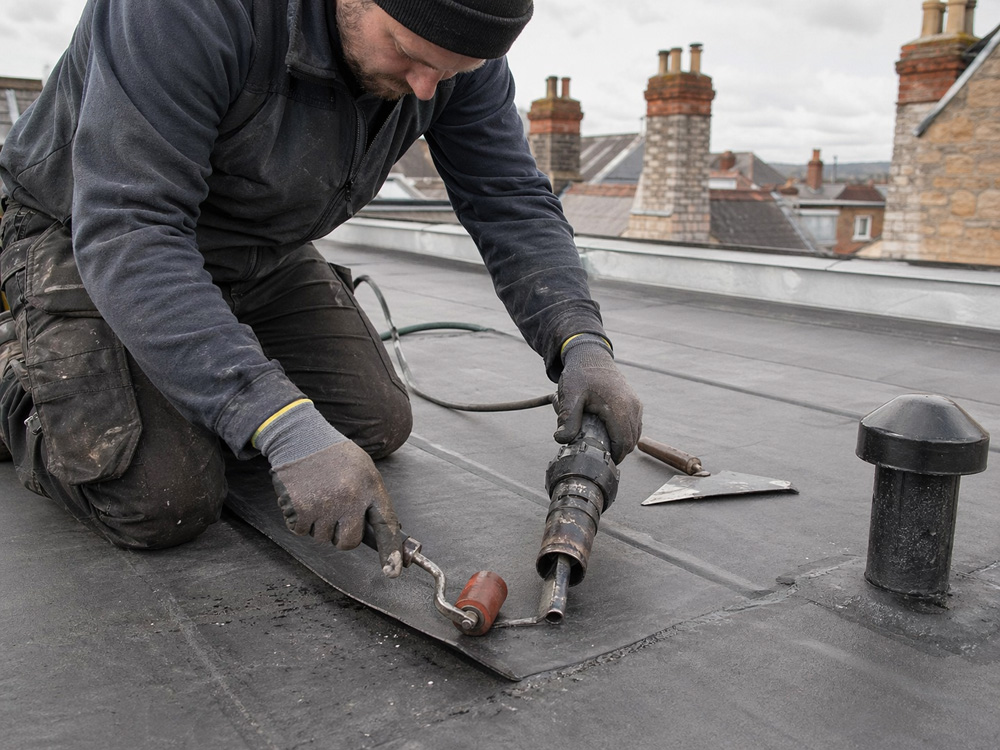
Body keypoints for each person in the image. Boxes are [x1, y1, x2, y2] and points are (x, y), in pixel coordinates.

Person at [0, 0, 643, 572]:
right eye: (409, 53)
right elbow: (131, 229)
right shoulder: (186, 12)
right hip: (82, 231)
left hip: (257, 248)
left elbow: (508, 199)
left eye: (447, 74)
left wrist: (580, 338)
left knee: (375, 424)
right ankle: (18, 371)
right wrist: (279, 424)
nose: (425, 87)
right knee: (160, 496)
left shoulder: (453, 59)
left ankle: (188, 361)